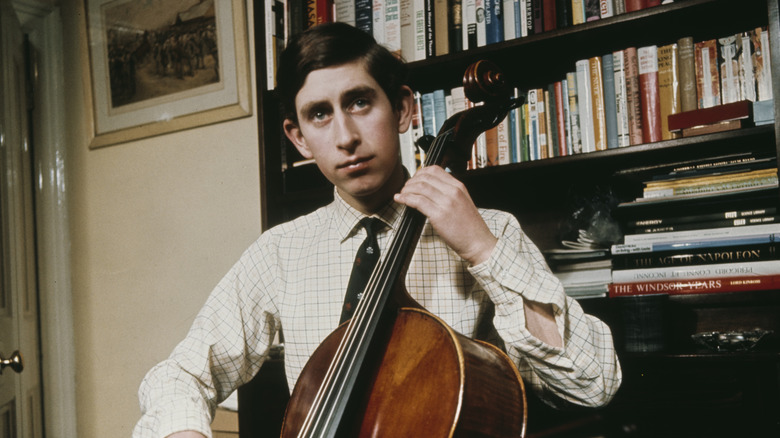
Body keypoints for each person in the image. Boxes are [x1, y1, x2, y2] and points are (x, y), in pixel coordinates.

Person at [133, 22, 621, 438]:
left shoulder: (491, 231)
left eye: (360, 102)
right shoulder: (280, 252)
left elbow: (592, 384)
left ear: (404, 109)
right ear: (298, 138)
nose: (345, 137)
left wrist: (481, 249)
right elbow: (180, 373)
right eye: (319, 115)